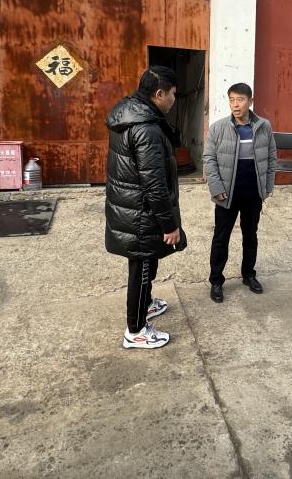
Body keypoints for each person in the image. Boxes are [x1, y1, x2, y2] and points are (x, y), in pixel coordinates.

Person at [105, 66, 186, 349]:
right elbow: (154, 184)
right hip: (140, 213)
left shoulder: (130, 115)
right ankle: (136, 330)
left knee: (146, 262)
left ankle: (146, 304)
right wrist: (169, 224)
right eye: (173, 94)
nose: (174, 100)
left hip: (134, 208)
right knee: (141, 268)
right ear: (159, 94)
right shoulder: (146, 128)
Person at [203, 82, 277, 303]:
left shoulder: (263, 126)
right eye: (232, 100)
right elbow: (209, 159)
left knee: (250, 235)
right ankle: (216, 281)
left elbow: (271, 157)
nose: (235, 104)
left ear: (250, 101)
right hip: (227, 193)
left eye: (240, 100)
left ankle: (249, 275)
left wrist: (267, 186)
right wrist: (216, 188)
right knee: (221, 238)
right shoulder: (218, 128)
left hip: (253, 192)